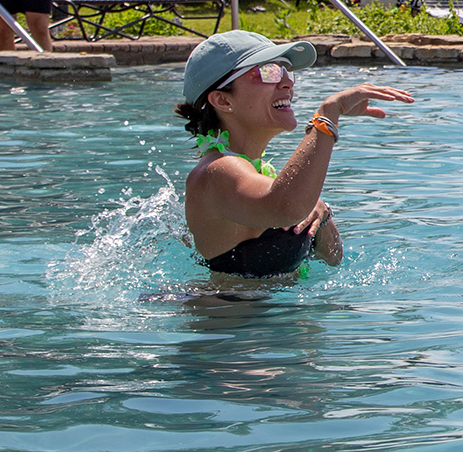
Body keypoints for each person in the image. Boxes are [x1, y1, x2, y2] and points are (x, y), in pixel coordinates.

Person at [175, 30, 412, 280]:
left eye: (286, 71)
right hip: (230, 318)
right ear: (222, 100)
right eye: (268, 71)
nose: (287, 83)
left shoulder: (260, 175)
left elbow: (333, 257)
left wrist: (321, 213)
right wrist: (328, 115)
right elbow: (287, 207)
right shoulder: (217, 171)